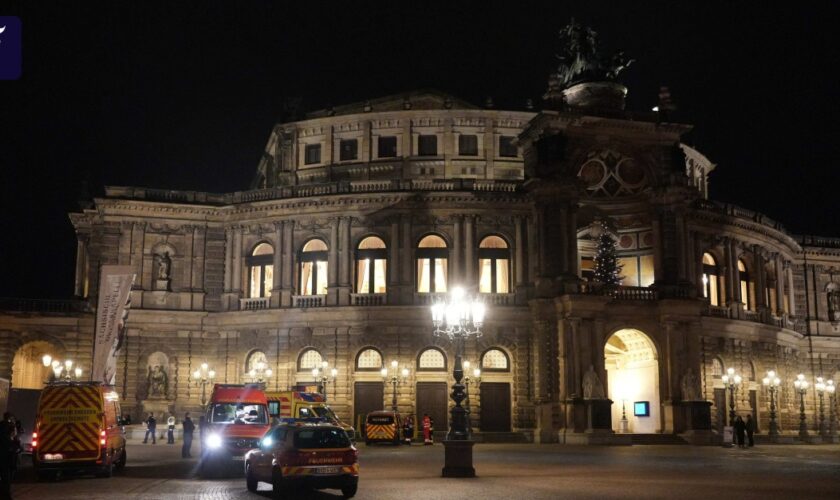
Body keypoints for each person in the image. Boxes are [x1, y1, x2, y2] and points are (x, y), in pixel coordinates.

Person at [0, 413, 14, 500]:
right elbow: (11, 440)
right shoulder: (9, 426)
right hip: (5, 457)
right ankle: (6, 496)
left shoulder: (1, 425)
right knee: (6, 478)